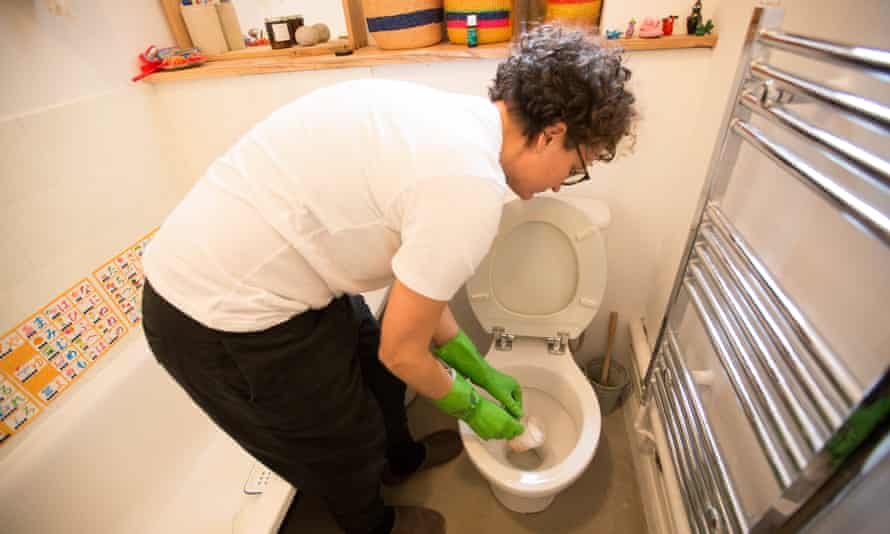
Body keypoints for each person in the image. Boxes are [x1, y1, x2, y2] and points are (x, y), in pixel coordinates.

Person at [141, 24, 635, 534]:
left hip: (287, 270)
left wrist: (477, 369)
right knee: (340, 441)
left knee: (376, 376)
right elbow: (404, 350)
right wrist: (472, 408)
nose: (561, 183)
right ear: (553, 132)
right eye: (576, 166)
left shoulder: (459, 124)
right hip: (218, 307)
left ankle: (401, 460)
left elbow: (421, 286)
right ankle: (375, 525)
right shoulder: (469, 188)